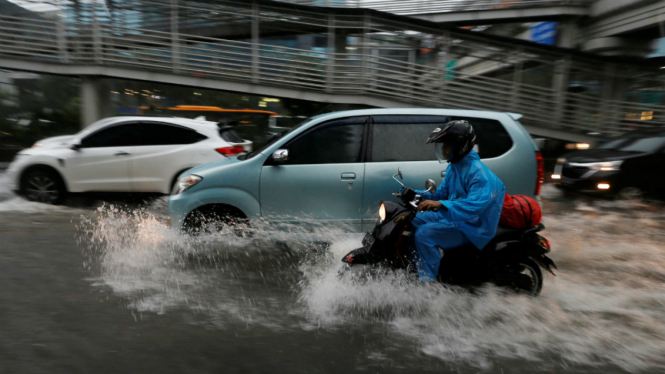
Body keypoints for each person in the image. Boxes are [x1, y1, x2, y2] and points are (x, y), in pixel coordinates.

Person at [411, 120, 506, 281]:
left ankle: (427, 283)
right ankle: (414, 264)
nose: (442, 149)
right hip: (455, 217)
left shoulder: (480, 174)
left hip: (473, 226)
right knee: (412, 220)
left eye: (446, 145)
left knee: (424, 235)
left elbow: (474, 206)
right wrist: (415, 194)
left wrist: (441, 204)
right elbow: (442, 193)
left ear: (460, 145)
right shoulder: (455, 166)